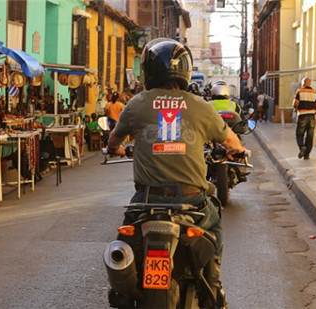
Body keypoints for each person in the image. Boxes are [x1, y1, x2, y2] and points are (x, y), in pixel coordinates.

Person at [107, 38, 246, 308]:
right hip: (191, 200)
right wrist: (239, 151)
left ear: (149, 71)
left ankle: (123, 292)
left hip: (147, 201)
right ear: (184, 69)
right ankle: (214, 289)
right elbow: (230, 140)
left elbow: (114, 141)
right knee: (214, 227)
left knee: (125, 238)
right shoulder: (200, 105)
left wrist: (119, 150)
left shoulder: (135, 104)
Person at [293, 77, 316, 160]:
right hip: (312, 116)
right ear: (309, 83)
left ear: (303, 83)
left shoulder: (299, 91)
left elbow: (295, 103)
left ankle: (302, 147)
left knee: (299, 134)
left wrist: (295, 109)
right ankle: (307, 155)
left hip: (302, 115)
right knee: (310, 136)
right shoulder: (315, 92)